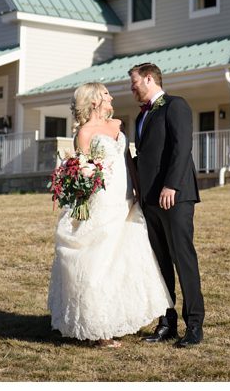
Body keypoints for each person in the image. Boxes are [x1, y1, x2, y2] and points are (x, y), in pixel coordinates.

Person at [48, 83, 172, 348]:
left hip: (125, 197)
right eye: (106, 93)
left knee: (125, 260)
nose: (111, 96)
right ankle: (100, 329)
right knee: (100, 262)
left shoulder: (118, 125)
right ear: (94, 101)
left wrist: (138, 188)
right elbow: (81, 167)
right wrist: (82, 185)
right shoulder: (84, 133)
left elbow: (128, 159)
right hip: (101, 201)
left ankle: (117, 317)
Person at [129, 63, 205, 349]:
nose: (131, 88)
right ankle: (167, 323)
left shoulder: (176, 105)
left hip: (176, 196)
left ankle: (194, 325)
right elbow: (144, 156)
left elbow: (181, 147)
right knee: (159, 264)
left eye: (134, 82)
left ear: (149, 79)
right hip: (150, 200)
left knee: (183, 259)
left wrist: (171, 185)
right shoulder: (142, 115)